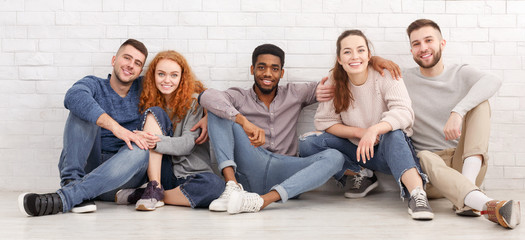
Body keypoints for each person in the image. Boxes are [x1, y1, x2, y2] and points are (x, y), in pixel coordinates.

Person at [200, 43, 399, 215]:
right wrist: (243, 121)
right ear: (252, 69)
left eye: (274, 68)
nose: (267, 73)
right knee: (218, 112)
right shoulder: (238, 96)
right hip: (251, 163)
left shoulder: (294, 93)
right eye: (261, 67)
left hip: (286, 170)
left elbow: (342, 78)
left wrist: (371, 61)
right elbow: (207, 96)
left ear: (281, 72)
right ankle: (232, 187)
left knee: (334, 157)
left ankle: (263, 201)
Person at [298, 30, 433, 220]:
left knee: (394, 133)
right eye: (347, 52)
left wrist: (374, 129)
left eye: (360, 50)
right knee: (308, 142)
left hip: (387, 151)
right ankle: (362, 172)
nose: (354, 56)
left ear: (369, 55)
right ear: (339, 59)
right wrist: (359, 132)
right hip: (357, 150)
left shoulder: (386, 74)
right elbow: (325, 122)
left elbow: (404, 113)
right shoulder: (334, 81)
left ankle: (417, 195)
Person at [403, 19, 520, 229]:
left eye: (429, 40)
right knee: (422, 155)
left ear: (442, 43)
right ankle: (480, 202)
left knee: (481, 102)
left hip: (465, 163)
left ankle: (466, 192)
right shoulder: (403, 78)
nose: (423, 48)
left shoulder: (459, 72)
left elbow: (493, 80)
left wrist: (458, 111)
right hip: (431, 175)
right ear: (411, 49)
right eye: (416, 43)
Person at [18, 39, 152, 217]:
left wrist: (201, 100)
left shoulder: (145, 88)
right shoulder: (94, 84)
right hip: (89, 167)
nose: (130, 65)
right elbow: (73, 96)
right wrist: (116, 128)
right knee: (82, 109)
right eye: (126, 58)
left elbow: (177, 84)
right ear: (114, 60)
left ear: (141, 70)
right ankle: (73, 184)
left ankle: (68, 197)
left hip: (123, 177)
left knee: (142, 151)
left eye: (137, 63)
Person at [114, 50, 224, 210]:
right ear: (153, 76)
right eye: (161, 74)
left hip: (191, 173)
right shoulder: (148, 101)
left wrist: (155, 140)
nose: (167, 80)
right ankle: (155, 186)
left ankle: (146, 194)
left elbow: (187, 144)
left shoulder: (194, 102)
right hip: (161, 172)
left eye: (173, 75)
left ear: (182, 78)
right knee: (154, 111)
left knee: (215, 186)